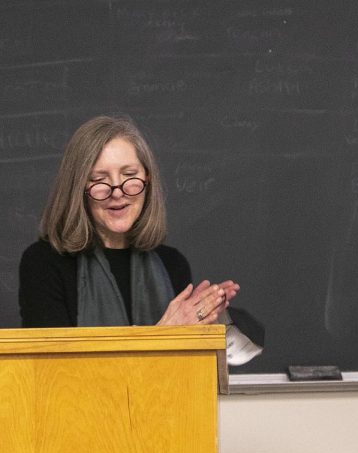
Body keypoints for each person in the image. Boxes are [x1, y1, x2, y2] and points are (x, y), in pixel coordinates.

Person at [19, 115, 239, 329]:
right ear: (79, 188)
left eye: (129, 174)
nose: (118, 191)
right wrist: (165, 335)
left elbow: (186, 365)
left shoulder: (172, 265)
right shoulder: (43, 264)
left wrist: (206, 327)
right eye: (99, 179)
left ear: (147, 178)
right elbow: (55, 367)